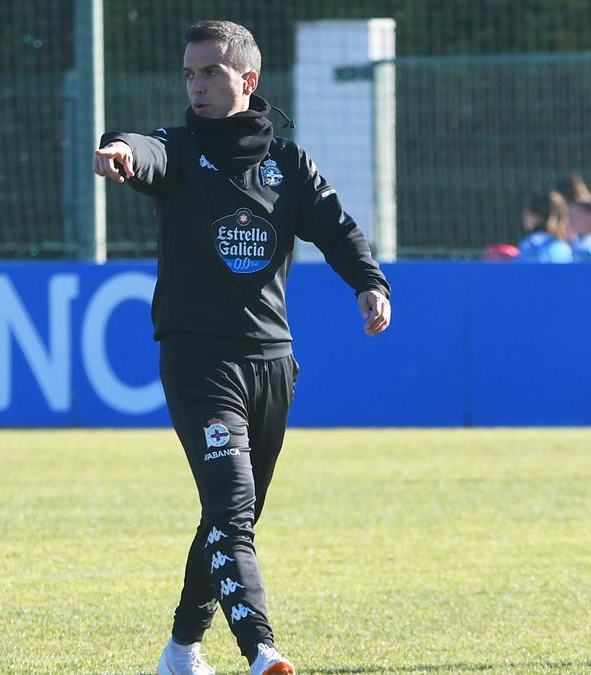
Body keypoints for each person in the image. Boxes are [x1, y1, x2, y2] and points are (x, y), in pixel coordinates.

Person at [93, 20, 391, 675]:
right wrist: (117, 148)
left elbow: (337, 230)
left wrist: (370, 285)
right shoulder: (178, 151)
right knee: (232, 510)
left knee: (229, 518)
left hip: (272, 364)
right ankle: (263, 651)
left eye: (210, 73)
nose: (196, 85)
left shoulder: (287, 163)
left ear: (248, 80)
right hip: (198, 362)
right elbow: (144, 148)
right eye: (189, 74)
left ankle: (180, 650)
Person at [517, 191, 573, 263]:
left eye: (526, 213)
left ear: (534, 216)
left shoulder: (529, 245)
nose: (523, 218)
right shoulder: (565, 248)